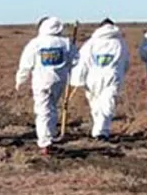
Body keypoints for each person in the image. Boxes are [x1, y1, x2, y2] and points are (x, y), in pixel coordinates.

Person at [15, 17, 75, 153]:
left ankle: (45, 141)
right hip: (59, 82)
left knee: (43, 111)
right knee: (52, 108)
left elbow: (26, 64)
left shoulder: (36, 43)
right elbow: (76, 60)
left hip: (41, 82)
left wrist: (20, 80)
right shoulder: (66, 43)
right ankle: (49, 135)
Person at [69, 19, 129, 141]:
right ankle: (100, 130)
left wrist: (77, 79)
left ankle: (101, 132)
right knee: (106, 104)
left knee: (98, 105)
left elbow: (82, 62)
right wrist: (121, 73)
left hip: (93, 79)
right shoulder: (120, 43)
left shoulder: (90, 43)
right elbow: (125, 62)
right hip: (112, 77)